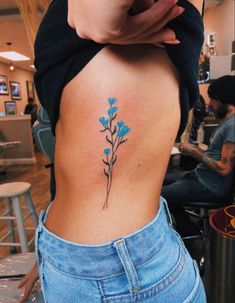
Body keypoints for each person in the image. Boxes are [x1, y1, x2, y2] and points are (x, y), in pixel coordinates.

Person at [17, 0, 206, 302]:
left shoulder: (157, 13)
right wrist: (53, 251)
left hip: (120, 277)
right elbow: (74, 156)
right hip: (79, 262)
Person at [162, 75, 235, 236]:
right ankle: (185, 226)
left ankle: (188, 231)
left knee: (158, 196)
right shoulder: (226, 123)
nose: (209, 104)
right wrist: (198, 148)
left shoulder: (232, 126)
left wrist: (194, 152)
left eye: (213, 99)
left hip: (210, 187)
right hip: (201, 176)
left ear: (224, 101)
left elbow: (224, 169)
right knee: (161, 181)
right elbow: (216, 154)